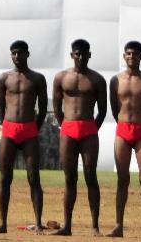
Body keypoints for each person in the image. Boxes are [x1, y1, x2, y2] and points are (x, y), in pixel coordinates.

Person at [52, 38, 107, 237]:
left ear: (89, 55)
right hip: (68, 127)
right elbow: (57, 106)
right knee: (70, 178)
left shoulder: (97, 79)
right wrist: (65, 124)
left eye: (84, 54)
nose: (81, 57)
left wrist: (92, 127)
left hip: (88, 128)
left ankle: (94, 226)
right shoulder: (61, 77)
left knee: (91, 176)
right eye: (78, 54)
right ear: (72, 55)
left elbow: (103, 110)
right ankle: (67, 225)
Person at [0, 40, 48, 234]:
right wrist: (5, 122)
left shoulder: (37, 78)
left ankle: (38, 222)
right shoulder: (4, 78)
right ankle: (2, 223)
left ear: (27, 54)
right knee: (5, 177)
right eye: (14, 53)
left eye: (20, 53)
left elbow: (42, 108)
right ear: (11, 55)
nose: (17, 57)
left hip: (29, 130)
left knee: (34, 177)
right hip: (9, 129)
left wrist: (35, 126)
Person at [108, 41, 141, 239]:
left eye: (136, 54)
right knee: (122, 180)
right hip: (123, 130)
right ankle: (118, 225)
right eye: (129, 53)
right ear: (124, 56)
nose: (132, 57)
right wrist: (123, 123)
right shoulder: (115, 80)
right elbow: (114, 108)